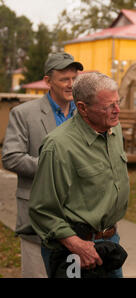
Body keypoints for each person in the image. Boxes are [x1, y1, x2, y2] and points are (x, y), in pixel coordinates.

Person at [28, 72, 130, 278]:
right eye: (108, 106)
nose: (117, 111)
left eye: (118, 102)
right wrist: (77, 245)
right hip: (74, 248)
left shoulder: (114, 129)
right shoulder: (58, 146)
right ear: (82, 108)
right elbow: (41, 210)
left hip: (109, 243)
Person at [1, 52, 83, 278]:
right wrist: (53, 168)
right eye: (64, 79)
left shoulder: (84, 113)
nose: (71, 85)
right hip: (37, 222)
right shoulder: (24, 114)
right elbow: (11, 157)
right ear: (47, 81)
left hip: (79, 222)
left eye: (74, 78)